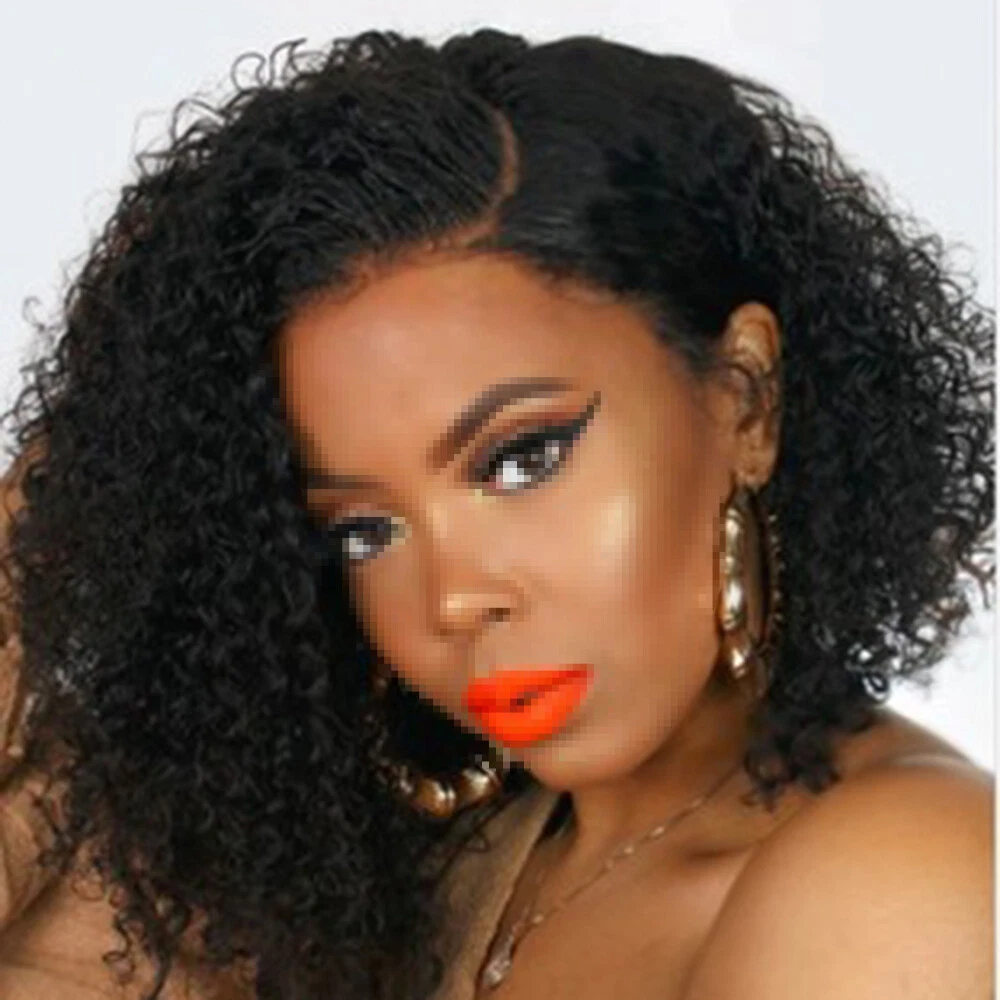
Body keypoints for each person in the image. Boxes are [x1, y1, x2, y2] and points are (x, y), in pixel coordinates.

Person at [0, 27, 993, 1000]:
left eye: (522, 459)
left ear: (744, 397)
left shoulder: (898, 871)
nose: (454, 596)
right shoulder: (425, 878)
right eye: (364, 529)